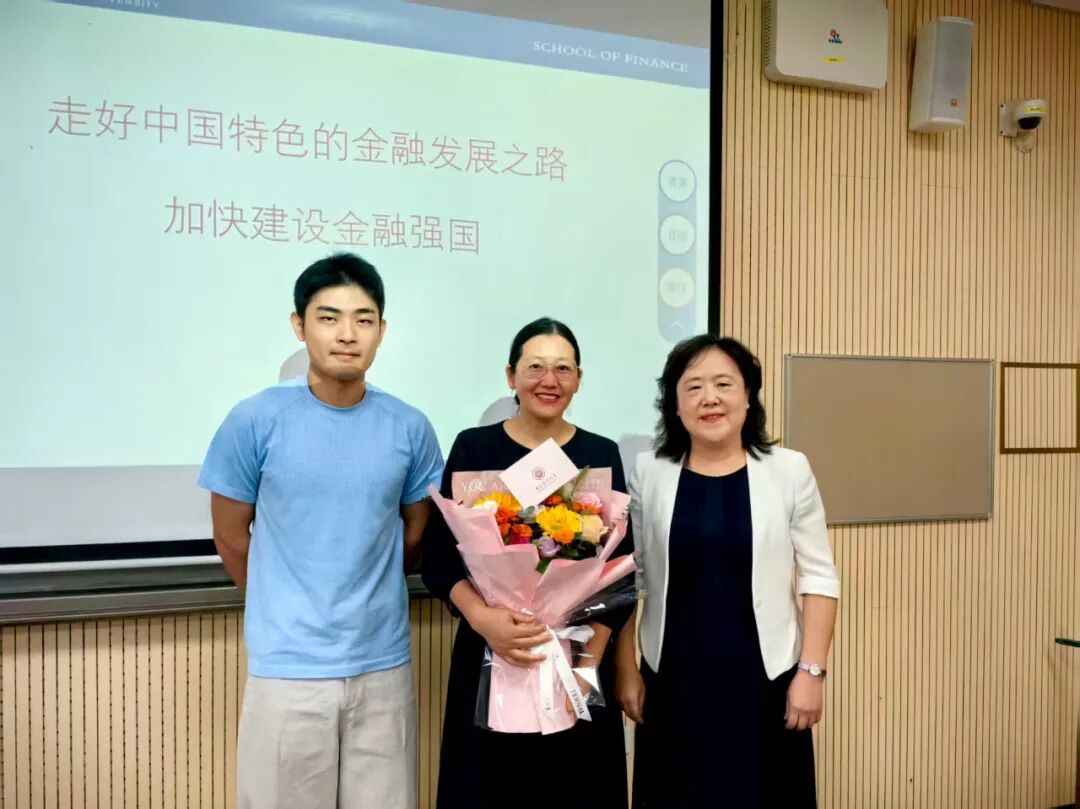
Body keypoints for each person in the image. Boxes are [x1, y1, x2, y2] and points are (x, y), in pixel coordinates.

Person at [198, 252, 444, 809]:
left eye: (363, 319)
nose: (347, 334)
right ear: (299, 325)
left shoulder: (409, 426)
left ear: (382, 330)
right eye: (329, 317)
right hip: (287, 671)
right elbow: (231, 537)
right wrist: (280, 603)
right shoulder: (253, 420)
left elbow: (414, 534)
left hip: (382, 664)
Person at [615, 335, 840, 808]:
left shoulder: (789, 470)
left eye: (723, 384)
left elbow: (819, 577)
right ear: (675, 404)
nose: (709, 398)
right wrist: (627, 669)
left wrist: (811, 673)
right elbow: (628, 577)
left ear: (748, 395)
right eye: (693, 386)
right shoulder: (648, 471)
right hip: (672, 679)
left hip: (765, 680)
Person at [421, 317, 632, 809]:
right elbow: (439, 557)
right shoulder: (474, 448)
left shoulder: (600, 453)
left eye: (563, 369)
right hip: (490, 651)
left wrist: (587, 658)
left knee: (576, 788)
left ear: (578, 379)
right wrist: (483, 619)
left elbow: (620, 566)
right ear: (510, 375)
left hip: (579, 654)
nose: (548, 380)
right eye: (535, 367)